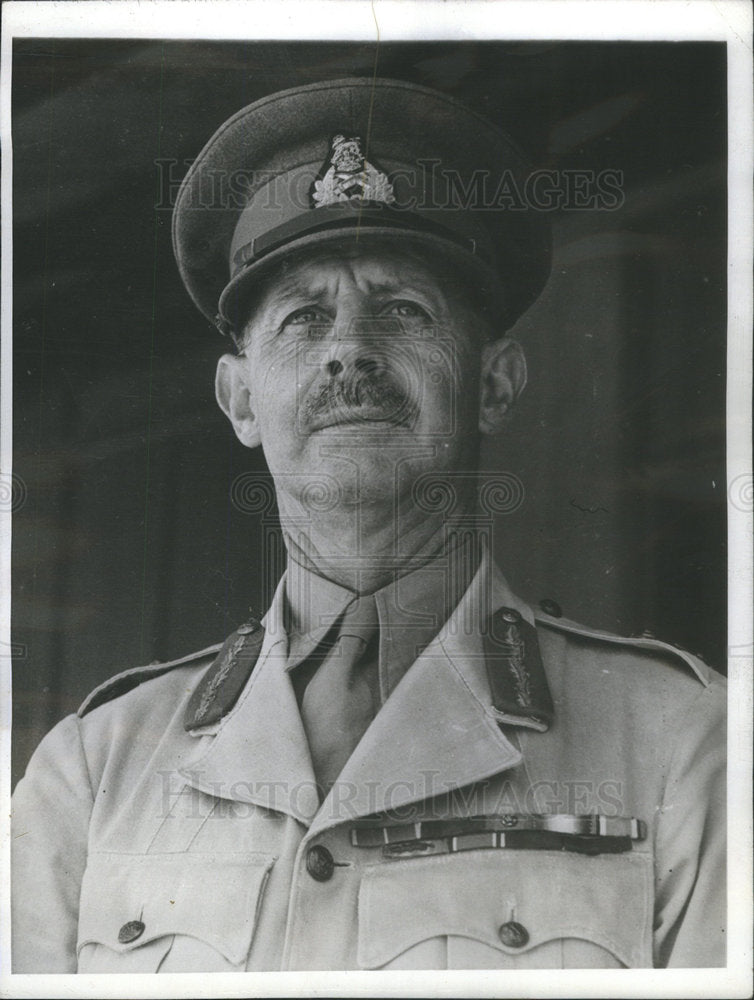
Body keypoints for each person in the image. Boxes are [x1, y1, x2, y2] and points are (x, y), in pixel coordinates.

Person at [11, 77, 725, 972]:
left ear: (494, 383)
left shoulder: (684, 746)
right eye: (305, 318)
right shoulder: (92, 772)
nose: (350, 345)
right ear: (240, 401)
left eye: (403, 311)